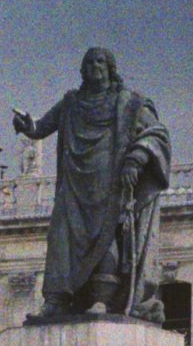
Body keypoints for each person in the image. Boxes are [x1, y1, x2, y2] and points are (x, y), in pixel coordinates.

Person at [12, 47, 172, 321]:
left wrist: (137, 157)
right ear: (82, 70)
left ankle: (101, 299)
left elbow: (157, 133)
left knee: (106, 238)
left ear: (111, 68)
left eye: (100, 61)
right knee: (60, 236)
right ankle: (56, 300)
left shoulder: (129, 102)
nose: (94, 66)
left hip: (110, 185)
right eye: (89, 62)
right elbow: (41, 127)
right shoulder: (72, 103)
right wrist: (28, 126)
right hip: (75, 184)